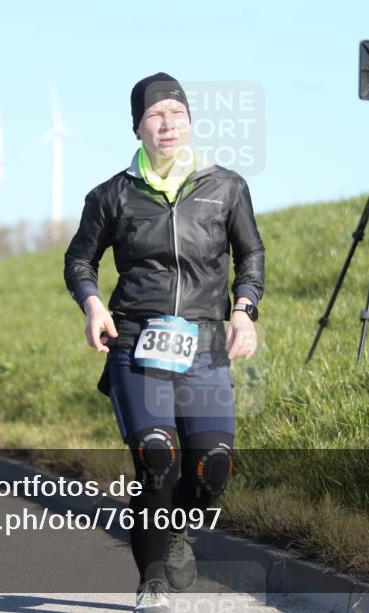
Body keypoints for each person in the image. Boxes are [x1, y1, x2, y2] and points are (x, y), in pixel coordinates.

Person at [64, 73, 264, 613]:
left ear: (190, 121)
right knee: (156, 457)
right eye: (155, 114)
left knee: (212, 466)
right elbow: (79, 259)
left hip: (203, 345)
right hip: (135, 341)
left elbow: (250, 255)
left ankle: (178, 530)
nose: (167, 122)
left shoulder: (226, 186)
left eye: (176, 111)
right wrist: (93, 304)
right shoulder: (112, 195)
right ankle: (151, 583)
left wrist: (243, 311)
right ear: (137, 126)